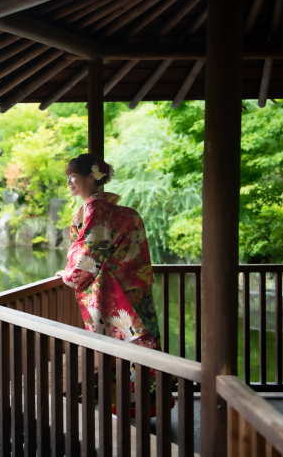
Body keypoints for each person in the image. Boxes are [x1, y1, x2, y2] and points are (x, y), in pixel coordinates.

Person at [57, 153, 166, 417]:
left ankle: (130, 412)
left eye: (74, 176)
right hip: (136, 289)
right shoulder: (124, 213)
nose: (69, 181)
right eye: (68, 177)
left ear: (92, 177)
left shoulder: (97, 211)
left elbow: (87, 256)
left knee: (122, 351)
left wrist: (67, 275)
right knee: (143, 344)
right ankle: (148, 406)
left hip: (114, 293)